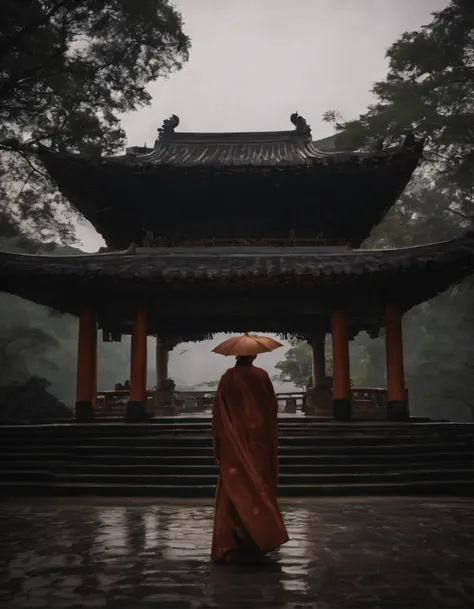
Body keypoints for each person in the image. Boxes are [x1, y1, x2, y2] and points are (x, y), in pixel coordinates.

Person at [211, 354, 289, 563]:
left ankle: (232, 542)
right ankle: (258, 538)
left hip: (234, 442)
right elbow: (271, 408)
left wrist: (219, 443)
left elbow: (218, 413)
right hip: (258, 443)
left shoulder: (228, 377)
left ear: (236, 355)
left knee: (233, 489)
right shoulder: (261, 376)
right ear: (253, 355)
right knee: (258, 487)